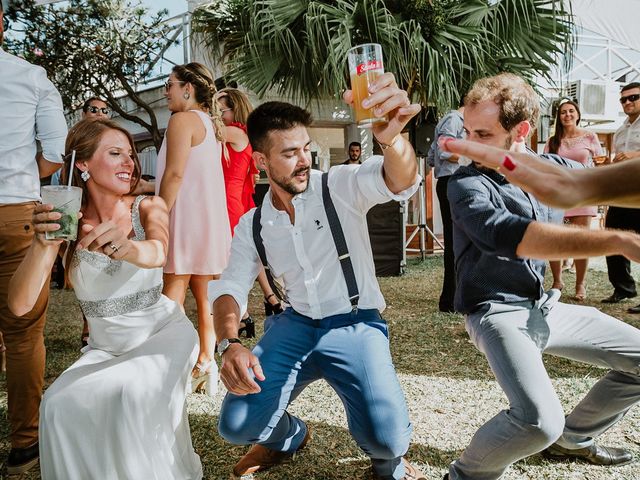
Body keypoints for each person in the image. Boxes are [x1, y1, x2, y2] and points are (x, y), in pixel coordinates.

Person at [209, 74, 427, 480]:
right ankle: (290, 437)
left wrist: (393, 140)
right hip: (294, 325)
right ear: (261, 162)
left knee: (387, 439)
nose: (305, 160)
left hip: (355, 323)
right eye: (290, 153)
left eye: (306, 149)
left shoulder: (338, 186)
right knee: (236, 424)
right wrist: (230, 343)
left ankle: (389, 462)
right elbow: (229, 287)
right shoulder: (253, 223)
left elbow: (400, 180)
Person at [442, 73, 640, 480]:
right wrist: (616, 240)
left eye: (482, 133)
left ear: (522, 130)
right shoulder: (465, 183)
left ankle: (576, 438)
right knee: (538, 422)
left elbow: (600, 182)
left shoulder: (551, 167)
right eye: (467, 130)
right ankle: (463, 476)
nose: (467, 143)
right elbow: (505, 235)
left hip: (543, 306)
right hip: (495, 312)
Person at [8, 119, 203, 479]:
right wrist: (41, 244)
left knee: (130, 395)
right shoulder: (65, 223)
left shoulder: (148, 206)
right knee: (56, 405)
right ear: (82, 164)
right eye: (115, 153)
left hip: (163, 333)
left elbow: (158, 251)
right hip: (104, 348)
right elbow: (19, 305)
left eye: (130, 154)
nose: (129, 162)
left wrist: (129, 248)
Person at [0, 3, 67, 473]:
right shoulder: (31, 76)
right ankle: (24, 443)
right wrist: (23, 176)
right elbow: (55, 152)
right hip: (16, 210)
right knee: (23, 333)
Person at [156, 62, 231, 396]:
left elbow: (174, 175)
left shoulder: (182, 120)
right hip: (209, 220)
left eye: (169, 84)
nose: (165, 91)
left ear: (188, 88)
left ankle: (165, 368)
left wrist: (158, 215)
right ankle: (206, 363)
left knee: (171, 295)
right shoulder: (209, 125)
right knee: (205, 297)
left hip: (184, 219)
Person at [216, 88, 283, 333]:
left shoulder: (233, 131)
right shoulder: (242, 134)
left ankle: (244, 314)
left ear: (234, 109)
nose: (216, 114)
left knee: (229, 259)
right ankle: (268, 301)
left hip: (227, 200)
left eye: (220, 109)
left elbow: (201, 130)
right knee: (246, 254)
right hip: (231, 198)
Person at [544, 99, 604, 300]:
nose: (567, 115)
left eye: (571, 111)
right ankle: (557, 281)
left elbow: (599, 163)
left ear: (578, 114)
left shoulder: (590, 137)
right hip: (559, 195)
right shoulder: (553, 141)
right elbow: (545, 166)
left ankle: (580, 285)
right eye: (563, 112)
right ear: (559, 117)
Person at [602, 82, 640, 311]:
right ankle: (623, 287)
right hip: (622, 192)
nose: (628, 102)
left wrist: (634, 154)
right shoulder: (620, 130)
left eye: (633, 97)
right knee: (612, 238)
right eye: (623, 99)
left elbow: (630, 157)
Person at [426, 100, 464, 312]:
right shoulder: (454, 119)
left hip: (450, 182)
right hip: (452, 181)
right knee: (455, 242)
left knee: (457, 241)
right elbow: (444, 153)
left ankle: (452, 298)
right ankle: (450, 301)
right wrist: (474, 156)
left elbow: (432, 156)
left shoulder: (452, 120)